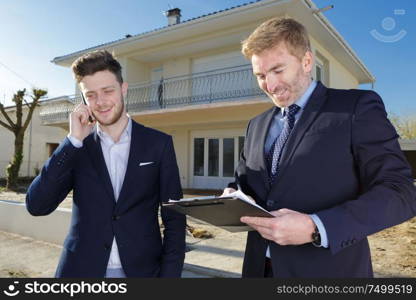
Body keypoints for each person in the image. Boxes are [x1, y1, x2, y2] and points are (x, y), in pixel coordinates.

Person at [223, 17, 416, 277]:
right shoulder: (256, 125)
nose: (270, 86)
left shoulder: (356, 109)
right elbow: (244, 185)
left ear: (306, 62)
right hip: (259, 269)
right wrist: (233, 196)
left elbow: (400, 192)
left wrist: (317, 226)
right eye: (260, 75)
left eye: (278, 70)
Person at [26, 50, 186, 278]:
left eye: (107, 91)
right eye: (90, 95)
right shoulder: (77, 148)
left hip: (143, 271)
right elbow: (37, 205)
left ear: (123, 88)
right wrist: (72, 141)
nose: (100, 102)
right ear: (83, 100)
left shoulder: (158, 144)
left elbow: (175, 219)